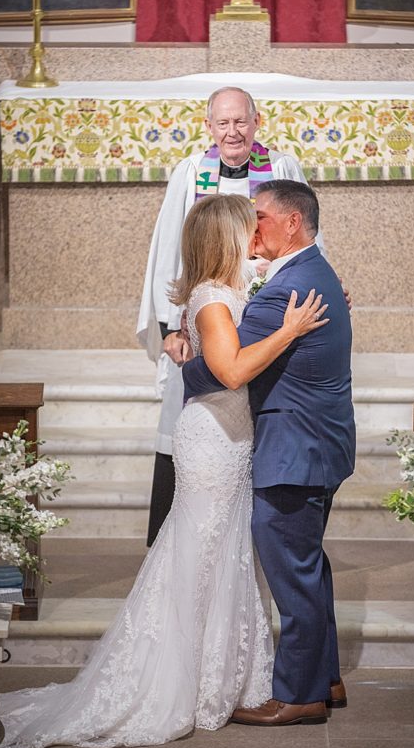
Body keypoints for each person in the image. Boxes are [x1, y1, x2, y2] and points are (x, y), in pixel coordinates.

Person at [0, 194, 328, 748]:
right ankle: (172, 682)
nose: (255, 239)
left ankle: (217, 676)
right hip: (214, 440)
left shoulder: (226, 292)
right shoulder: (214, 301)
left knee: (222, 555)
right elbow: (231, 369)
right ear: (226, 240)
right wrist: (290, 331)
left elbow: (242, 316)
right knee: (197, 555)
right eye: (247, 230)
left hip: (231, 438)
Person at [183, 180, 356, 725]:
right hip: (312, 443)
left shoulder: (287, 291)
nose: (252, 226)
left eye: (259, 215)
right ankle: (324, 677)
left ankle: (300, 695)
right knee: (308, 567)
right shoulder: (309, 273)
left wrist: (182, 358)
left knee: (294, 573)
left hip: (294, 450)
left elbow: (224, 366)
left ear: (291, 223)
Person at [137, 86, 323, 546]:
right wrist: (169, 327)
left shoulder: (280, 169)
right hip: (203, 321)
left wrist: (320, 284)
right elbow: (169, 254)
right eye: (223, 123)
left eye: (241, 121)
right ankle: (173, 540)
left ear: (257, 123)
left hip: (263, 316)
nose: (233, 131)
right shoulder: (189, 173)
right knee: (191, 420)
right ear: (209, 127)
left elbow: (306, 240)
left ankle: (255, 539)